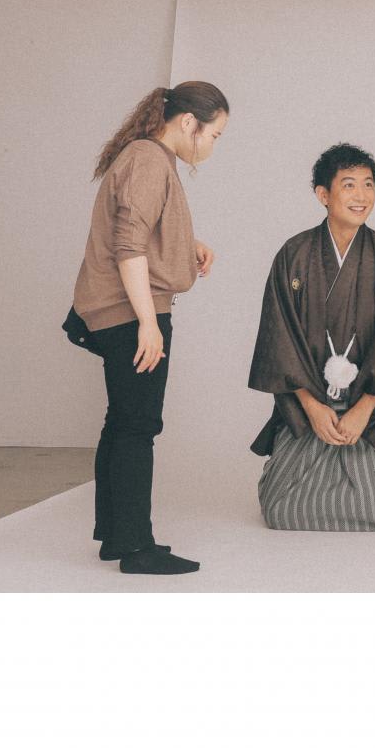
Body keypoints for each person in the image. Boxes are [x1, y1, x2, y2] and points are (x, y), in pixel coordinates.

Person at [69, 81, 229, 575]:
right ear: (189, 123)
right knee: (138, 427)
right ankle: (137, 548)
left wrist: (186, 244)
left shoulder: (151, 159)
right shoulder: (148, 160)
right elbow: (128, 246)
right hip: (129, 311)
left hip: (124, 308)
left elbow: (141, 228)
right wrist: (147, 322)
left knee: (123, 421)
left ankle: (117, 537)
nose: (213, 146)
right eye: (214, 135)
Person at [248, 143, 375, 531]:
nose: (361, 196)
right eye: (349, 185)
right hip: (309, 409)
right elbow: (279, 338)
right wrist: (312, 407)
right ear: (323, 194)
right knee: (280, 511)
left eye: (368, 184)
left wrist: (363, 408)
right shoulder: (294, 255)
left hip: (371, 412)